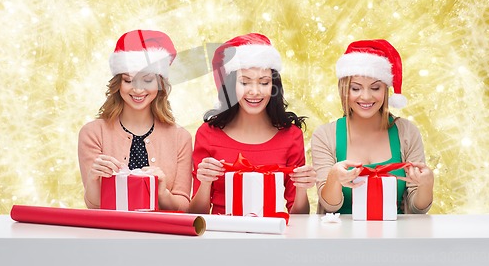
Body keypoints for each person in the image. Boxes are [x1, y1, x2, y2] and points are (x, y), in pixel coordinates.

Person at [190, 33, 316, 215]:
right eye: (245, 82)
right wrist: (205, 182)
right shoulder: (208, 133)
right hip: (222, 235)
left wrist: (303, 188)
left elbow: (299, 216)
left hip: (272, 237)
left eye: (264, 82)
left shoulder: (291, 135)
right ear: (231, 85)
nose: (255, 91)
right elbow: (196, 215)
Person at [311, 39, 434, 214]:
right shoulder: (324, 135)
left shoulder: (407, 132)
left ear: (385, 89)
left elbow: (417, 209)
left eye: (375, 88)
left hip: (394, 236)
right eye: (356, 88)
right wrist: (334, 178)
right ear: (344, 90)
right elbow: (331, 206)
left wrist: (426, 184)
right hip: (341, 238)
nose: (366, 96)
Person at [78, 29, 192, 211]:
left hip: (160, 236)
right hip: (110, 234)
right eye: (128, 80)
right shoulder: (93, 133)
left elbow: (183, 205)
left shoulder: (180, 137)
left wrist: (162, 192)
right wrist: (93, 178)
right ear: (118, 83)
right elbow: (94, 205)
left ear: (160, 84)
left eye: (147, 80)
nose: (138, 90)